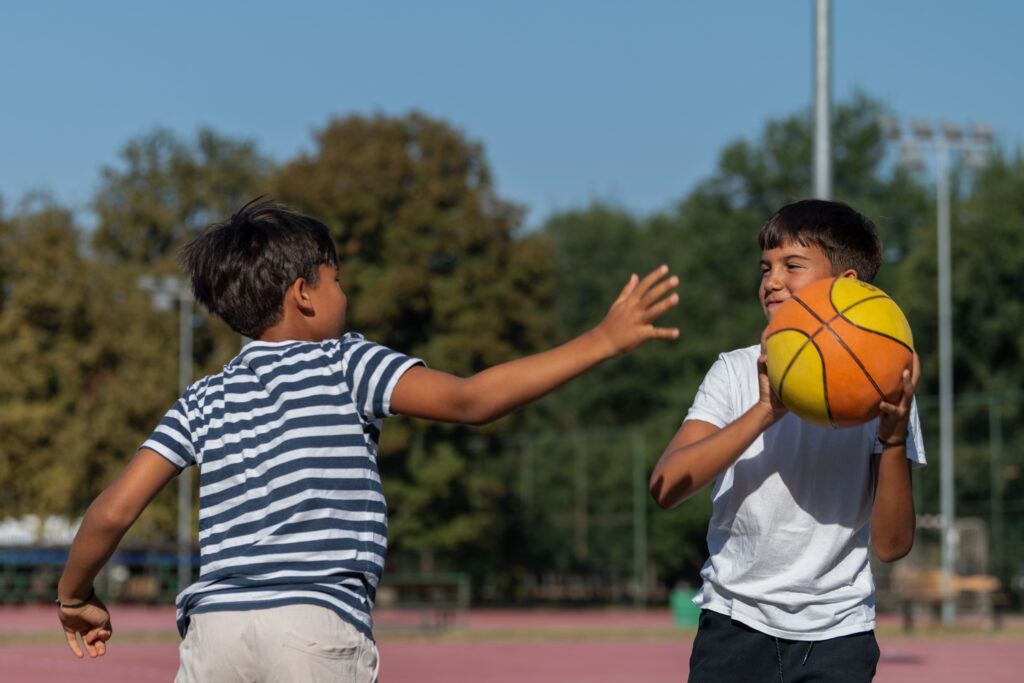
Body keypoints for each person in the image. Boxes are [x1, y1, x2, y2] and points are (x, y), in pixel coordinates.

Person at [56, 199, 680, 682]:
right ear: (303, 294)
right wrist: (601, 340)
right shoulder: (345, 362)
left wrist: (73, 596)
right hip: (314, 625)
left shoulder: (203, 398)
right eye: (337, 281)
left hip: (213, 630)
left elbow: (111, 512)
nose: (344, 295)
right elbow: (471, 400)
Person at [649, 199, 925, 682]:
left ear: (847, 285)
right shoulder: (735, 371)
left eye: (792, 266)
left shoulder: (883, 386)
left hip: (839, 633)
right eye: (766, 268)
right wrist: (764, 412)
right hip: (734, 623)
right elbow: (666, 486)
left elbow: (891, 545)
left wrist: (895, 438)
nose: (771, 281)